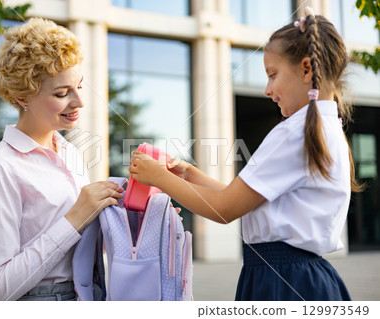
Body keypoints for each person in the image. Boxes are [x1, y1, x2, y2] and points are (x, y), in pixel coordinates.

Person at [128, 7, 362, 301]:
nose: (267, 89)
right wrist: (188, 174)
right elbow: (241, 200)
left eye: (273, 75)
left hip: (280, 280)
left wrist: (159, 177)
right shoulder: (326, 130)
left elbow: (224, 209)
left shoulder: (294, 132)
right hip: (307, 278)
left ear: (306, 69)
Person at [0, 18, 123, 301]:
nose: (79, 102)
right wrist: (74, 218)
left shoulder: (70, 153)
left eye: (79, 86)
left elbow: (80, 246)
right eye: (62, 93)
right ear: (23, 96)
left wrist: (134, 217)